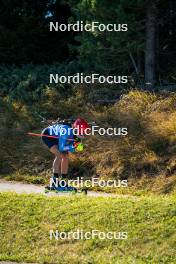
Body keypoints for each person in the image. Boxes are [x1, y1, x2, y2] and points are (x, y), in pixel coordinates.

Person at [41, 118, 89, 190]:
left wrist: (77, 147)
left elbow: (72, 150)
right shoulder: (66, 130)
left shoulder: (77, 136)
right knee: (59, 155)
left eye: (84, 133)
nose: (83, 135)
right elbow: (62, 148)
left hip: (57, 136)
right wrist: (74, 146)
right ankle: (54, 181)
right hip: (48, 135)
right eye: (81, 133)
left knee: (65, 156)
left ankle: (63, 181)